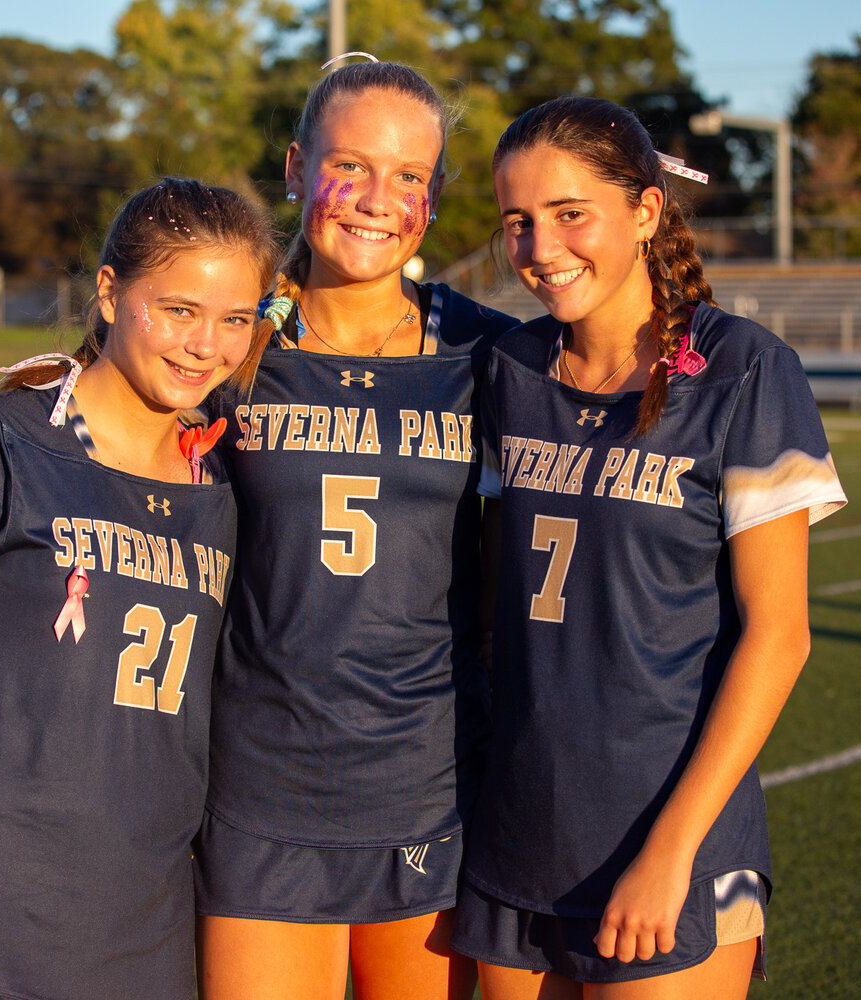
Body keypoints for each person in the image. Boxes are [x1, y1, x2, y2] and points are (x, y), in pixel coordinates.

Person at [449, 97, 849, 999]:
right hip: (516, 831)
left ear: (645, 210)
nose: (541, 249)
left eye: (569, 214)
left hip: (669, 837)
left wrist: (672, 852)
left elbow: (779, 635)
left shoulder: (743, 369)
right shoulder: (508, 371)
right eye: (518, 222)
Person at [0, 177, 280, 1000]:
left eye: (235, 319)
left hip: (145, 913)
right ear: (111, 294)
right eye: (179, 309)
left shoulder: (222, 482)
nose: (207, 346)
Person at [195, 58, 519, 1000]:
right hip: (259, 782)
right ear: (296, 168)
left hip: (432, 783)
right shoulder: (227, 345)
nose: (378, 200)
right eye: (350, 166)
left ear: (437, 194)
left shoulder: (489, 354)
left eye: (410, 176)